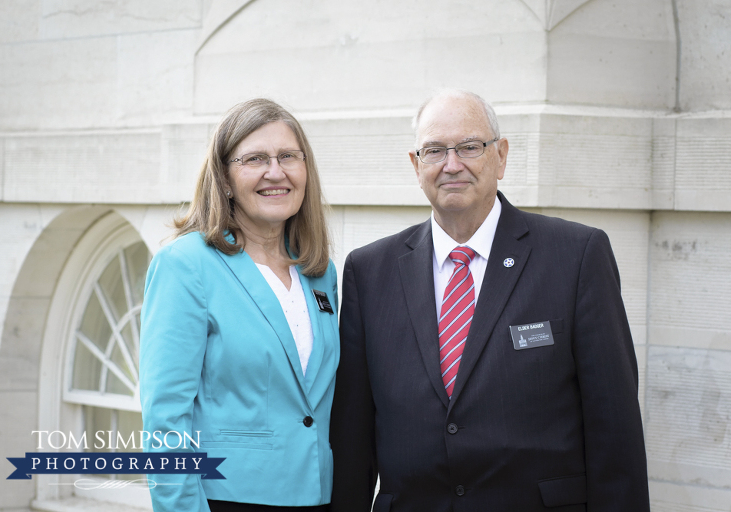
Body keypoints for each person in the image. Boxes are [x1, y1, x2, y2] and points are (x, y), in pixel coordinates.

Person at [330, 90, 650, 512]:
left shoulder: (576, 255)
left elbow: (615, 430)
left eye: (469, 147)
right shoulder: (369, 271)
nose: (452, 164)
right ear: (415, 165)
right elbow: (353, 439)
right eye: (435, 150)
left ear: (501, 156)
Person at [139, 98, 339, 512]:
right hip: (226, 498)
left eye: (288, 157)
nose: (275, 172)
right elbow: (165, 422)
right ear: (225, 180)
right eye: (255, 159)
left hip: (318, 496)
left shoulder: (320, 272)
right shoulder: (186, 266)